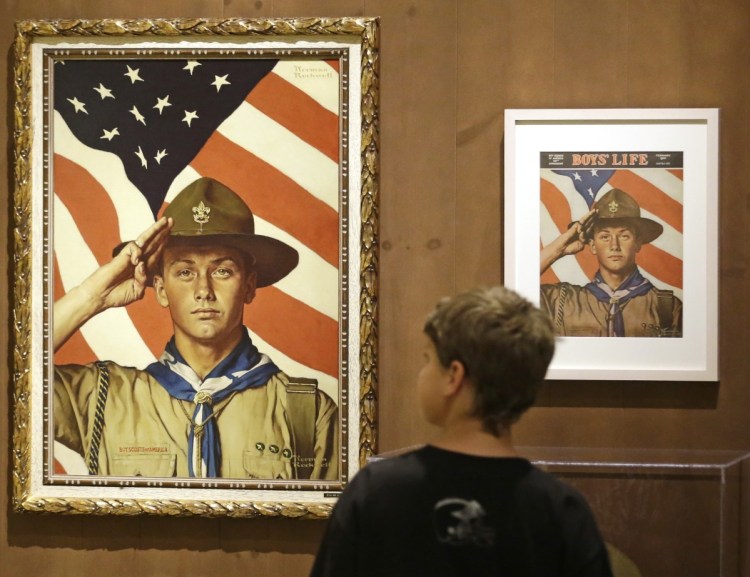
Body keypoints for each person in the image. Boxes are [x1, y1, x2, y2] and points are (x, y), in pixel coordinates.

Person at [310, 286, 613, 577]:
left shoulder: (377, 491)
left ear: (453, 376)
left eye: (428, 359)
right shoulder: (560, 508)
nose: (422, 373)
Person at [53, 176, 338, 480]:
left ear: (249, 286)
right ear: (161, 289)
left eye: (223, 271)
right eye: (185, 272)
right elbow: (13, 378)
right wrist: (90, 296)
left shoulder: (306, 413)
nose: (204, 289)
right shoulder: (102, 398)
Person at [540, 188, 682, 337]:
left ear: (638, 243)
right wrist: (558, 249)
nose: (614, 245)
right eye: (605, 237)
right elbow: (521, 287)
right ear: (593, 245)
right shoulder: (562, 301)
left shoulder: (667, 307)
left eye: (624, 236)